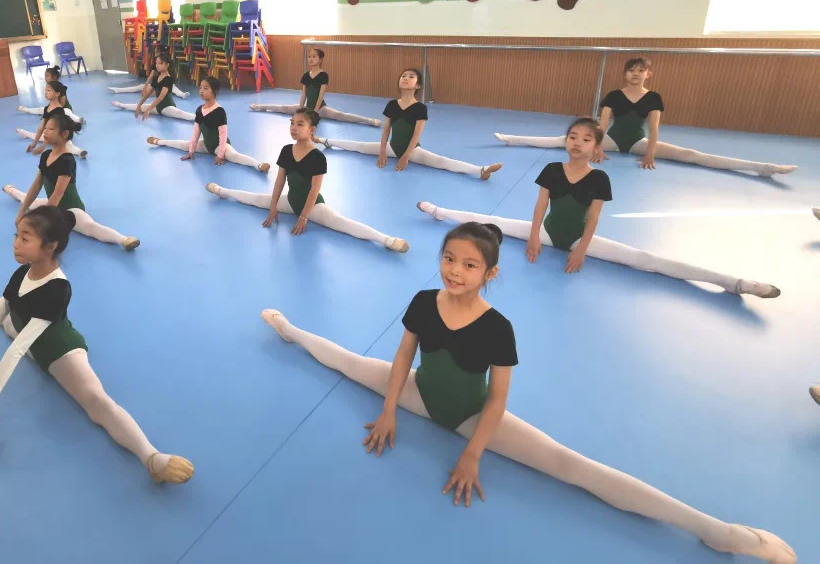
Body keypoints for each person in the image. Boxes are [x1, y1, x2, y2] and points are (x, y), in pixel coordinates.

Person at [259, 222, 794, 563]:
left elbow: (496, 400)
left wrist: (473, 453)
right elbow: (402, 358)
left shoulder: (498, 327)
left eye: (469, 265)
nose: (455, 271)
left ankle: (718, 532)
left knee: (571, 466)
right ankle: (289, 330)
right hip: (419, 395)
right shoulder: (424, 300)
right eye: (449, 258)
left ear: (489, 272)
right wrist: (390, 410)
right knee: (349, 363)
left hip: (472, 417)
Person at [0, 205, 193, 484]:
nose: (15, 243)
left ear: (50, 247)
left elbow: (19, 347)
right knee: (2, 315)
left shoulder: (57, 289)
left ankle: (151, 458)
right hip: (26, 334)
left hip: (58, 350)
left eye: (25, 238)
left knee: (96, 401)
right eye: (16, 235)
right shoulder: (22, 272)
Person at [419, 117, 780, 297]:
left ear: (596, 146)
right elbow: (540, 206)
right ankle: (437, 210)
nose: (577, 143)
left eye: (586, 139)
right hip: (547, 233)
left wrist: (581, 250)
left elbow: (592, 218)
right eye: (572, 137)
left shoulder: (599, 178)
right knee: (487, 221)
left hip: (579, 239)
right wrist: (534, 237)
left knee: (646, 260)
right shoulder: (552, 169)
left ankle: (734, 283)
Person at [494, 57, 796, 177]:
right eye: (631, 71)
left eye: (641, 71)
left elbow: (653, 128)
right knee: (561, 140)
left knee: (691, 155)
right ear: (625, 73)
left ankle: (762, 168)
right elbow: (601, 125)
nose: (635, 74)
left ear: (648, 74)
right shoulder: (614, 94)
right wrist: (595, 147)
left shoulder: (653, 98)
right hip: (611, 140)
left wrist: (650, 152)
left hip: (638, 142)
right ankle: (511, 139)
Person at [206, 107, 408, 252]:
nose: (293, 127)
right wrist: (274, 206)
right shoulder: (287, 150)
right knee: (256, 199)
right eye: (292, 123)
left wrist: (303, 217)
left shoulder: (317, 156)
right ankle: (222, 191)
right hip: (291, 201)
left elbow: (314, 190)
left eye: (300, 124)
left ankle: (387, 240)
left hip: (313, 207)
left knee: (341, 223)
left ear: (312, 130)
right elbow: (280, 181)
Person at [313, 68, 502, 179]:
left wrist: (405, 157)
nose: (405, 78)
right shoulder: (392, 104)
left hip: (412, 151)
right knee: (360, 146)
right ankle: (325, 140)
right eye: (403, 75)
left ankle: (481, 170)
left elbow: (416, 135)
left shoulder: (420, 108)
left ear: (417, 86)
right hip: (391, 148)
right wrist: (382, 151)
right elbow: (386, 129)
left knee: (441, 162)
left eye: (411, 76)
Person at [3, 111, 139, 251]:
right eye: (45, 128)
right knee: (33, 203)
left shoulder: (67, 160)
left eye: (50, 129)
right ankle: (11, 190)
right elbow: (36, 185)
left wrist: (44, 220)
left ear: (64, 134)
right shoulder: (46, 155)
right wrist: (21, 212)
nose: (45, 132)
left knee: (90, 227)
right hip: (53, 205)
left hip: (71, 208)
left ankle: (123, 239)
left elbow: (58, 193)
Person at [146, 75, 269, 172]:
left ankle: (258, 165)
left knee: (233, 156)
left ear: (214, 91)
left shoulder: (219, 111)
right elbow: (196, 132)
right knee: (184, 145)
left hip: (220, 145)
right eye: (200, 88)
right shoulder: (199, 110)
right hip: (206, 144)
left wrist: (220, 154)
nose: (201, 91)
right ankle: (159, 141)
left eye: (205, 88)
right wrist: (191, 151)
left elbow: (223, 135)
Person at [249, 48, 381, 127]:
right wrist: (301, 109)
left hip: (321, 108)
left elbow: (321, 95)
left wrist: (315, 112)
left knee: (340, 115)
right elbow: (304, 94)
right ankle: (259, 106)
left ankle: (370, 120)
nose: (311, 59)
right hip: (307, 107)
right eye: (309, 57)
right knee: (284, 108)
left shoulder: (323, 75)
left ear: (320, 59)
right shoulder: (306, 75)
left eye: (314, 57)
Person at [110, 53, 194, 121]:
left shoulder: (168, 79)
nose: (157, 65)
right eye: (156, 63)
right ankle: (121, 104)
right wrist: (139, 104)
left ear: (167, 65)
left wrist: (149, 109)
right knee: (138, 107)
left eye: (160, 63)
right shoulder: (156, 78)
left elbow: (161, 97)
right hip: (157, 107)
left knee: (181, 114)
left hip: (167, 107)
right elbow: (148, 93)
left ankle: (198, 117)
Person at [15, 80, 86, 158]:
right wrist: (35, 143)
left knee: (68, 144)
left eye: (48, 91)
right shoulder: (47, 109)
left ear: (57, 94)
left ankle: (80, 152)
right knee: (37, 135)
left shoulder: (59, 110)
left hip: (60, 134)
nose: (46, 93)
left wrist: (44, 145)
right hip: (50, 132)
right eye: (45, 91)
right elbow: (41, 127)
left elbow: (56, 130)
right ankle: (25, 133)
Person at [18, 66, 84, 129]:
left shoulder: (60, 87)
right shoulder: (49, 86)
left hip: (64, 108)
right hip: (54, 108)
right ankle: (25, 109)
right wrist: (48, 112)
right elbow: (51, 102)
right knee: (41, 109)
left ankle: (78, 120)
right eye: (45, 76)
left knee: (67, 112)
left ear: (54, 77)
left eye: (47, 76)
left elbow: (62, 104)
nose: (45, 78)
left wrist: (52, 112)